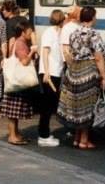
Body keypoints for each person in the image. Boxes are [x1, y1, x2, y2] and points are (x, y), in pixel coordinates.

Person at [57, 6, 105, 149]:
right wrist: (103, 76)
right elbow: (98, 57)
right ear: (92, 18)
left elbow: (69, 52)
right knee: (88, 106)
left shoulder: (74, 33)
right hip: (88, 71)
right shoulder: (94, 34)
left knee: (78, 105)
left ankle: (77, 137)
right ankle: (84, 140)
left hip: (74, 71)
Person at [0, 21, 38, 145]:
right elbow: (24, 62)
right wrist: (32, 51)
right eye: (29, 32)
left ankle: (15, 134)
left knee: (14, 112)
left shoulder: (17, 42)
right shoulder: (21, 44)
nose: (31, 34)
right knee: (13, 111)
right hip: (17, 82)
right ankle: (12, 136)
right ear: (23, 32)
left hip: (15, 81)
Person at [37, 9, 65, 147]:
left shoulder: (58, 32)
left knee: (50, 104)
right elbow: (45, 51)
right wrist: (46, 72)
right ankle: (43, 136)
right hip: (50, 73)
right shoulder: (49, 33)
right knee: (47, 105)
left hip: (56, 72)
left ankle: (45, 134)